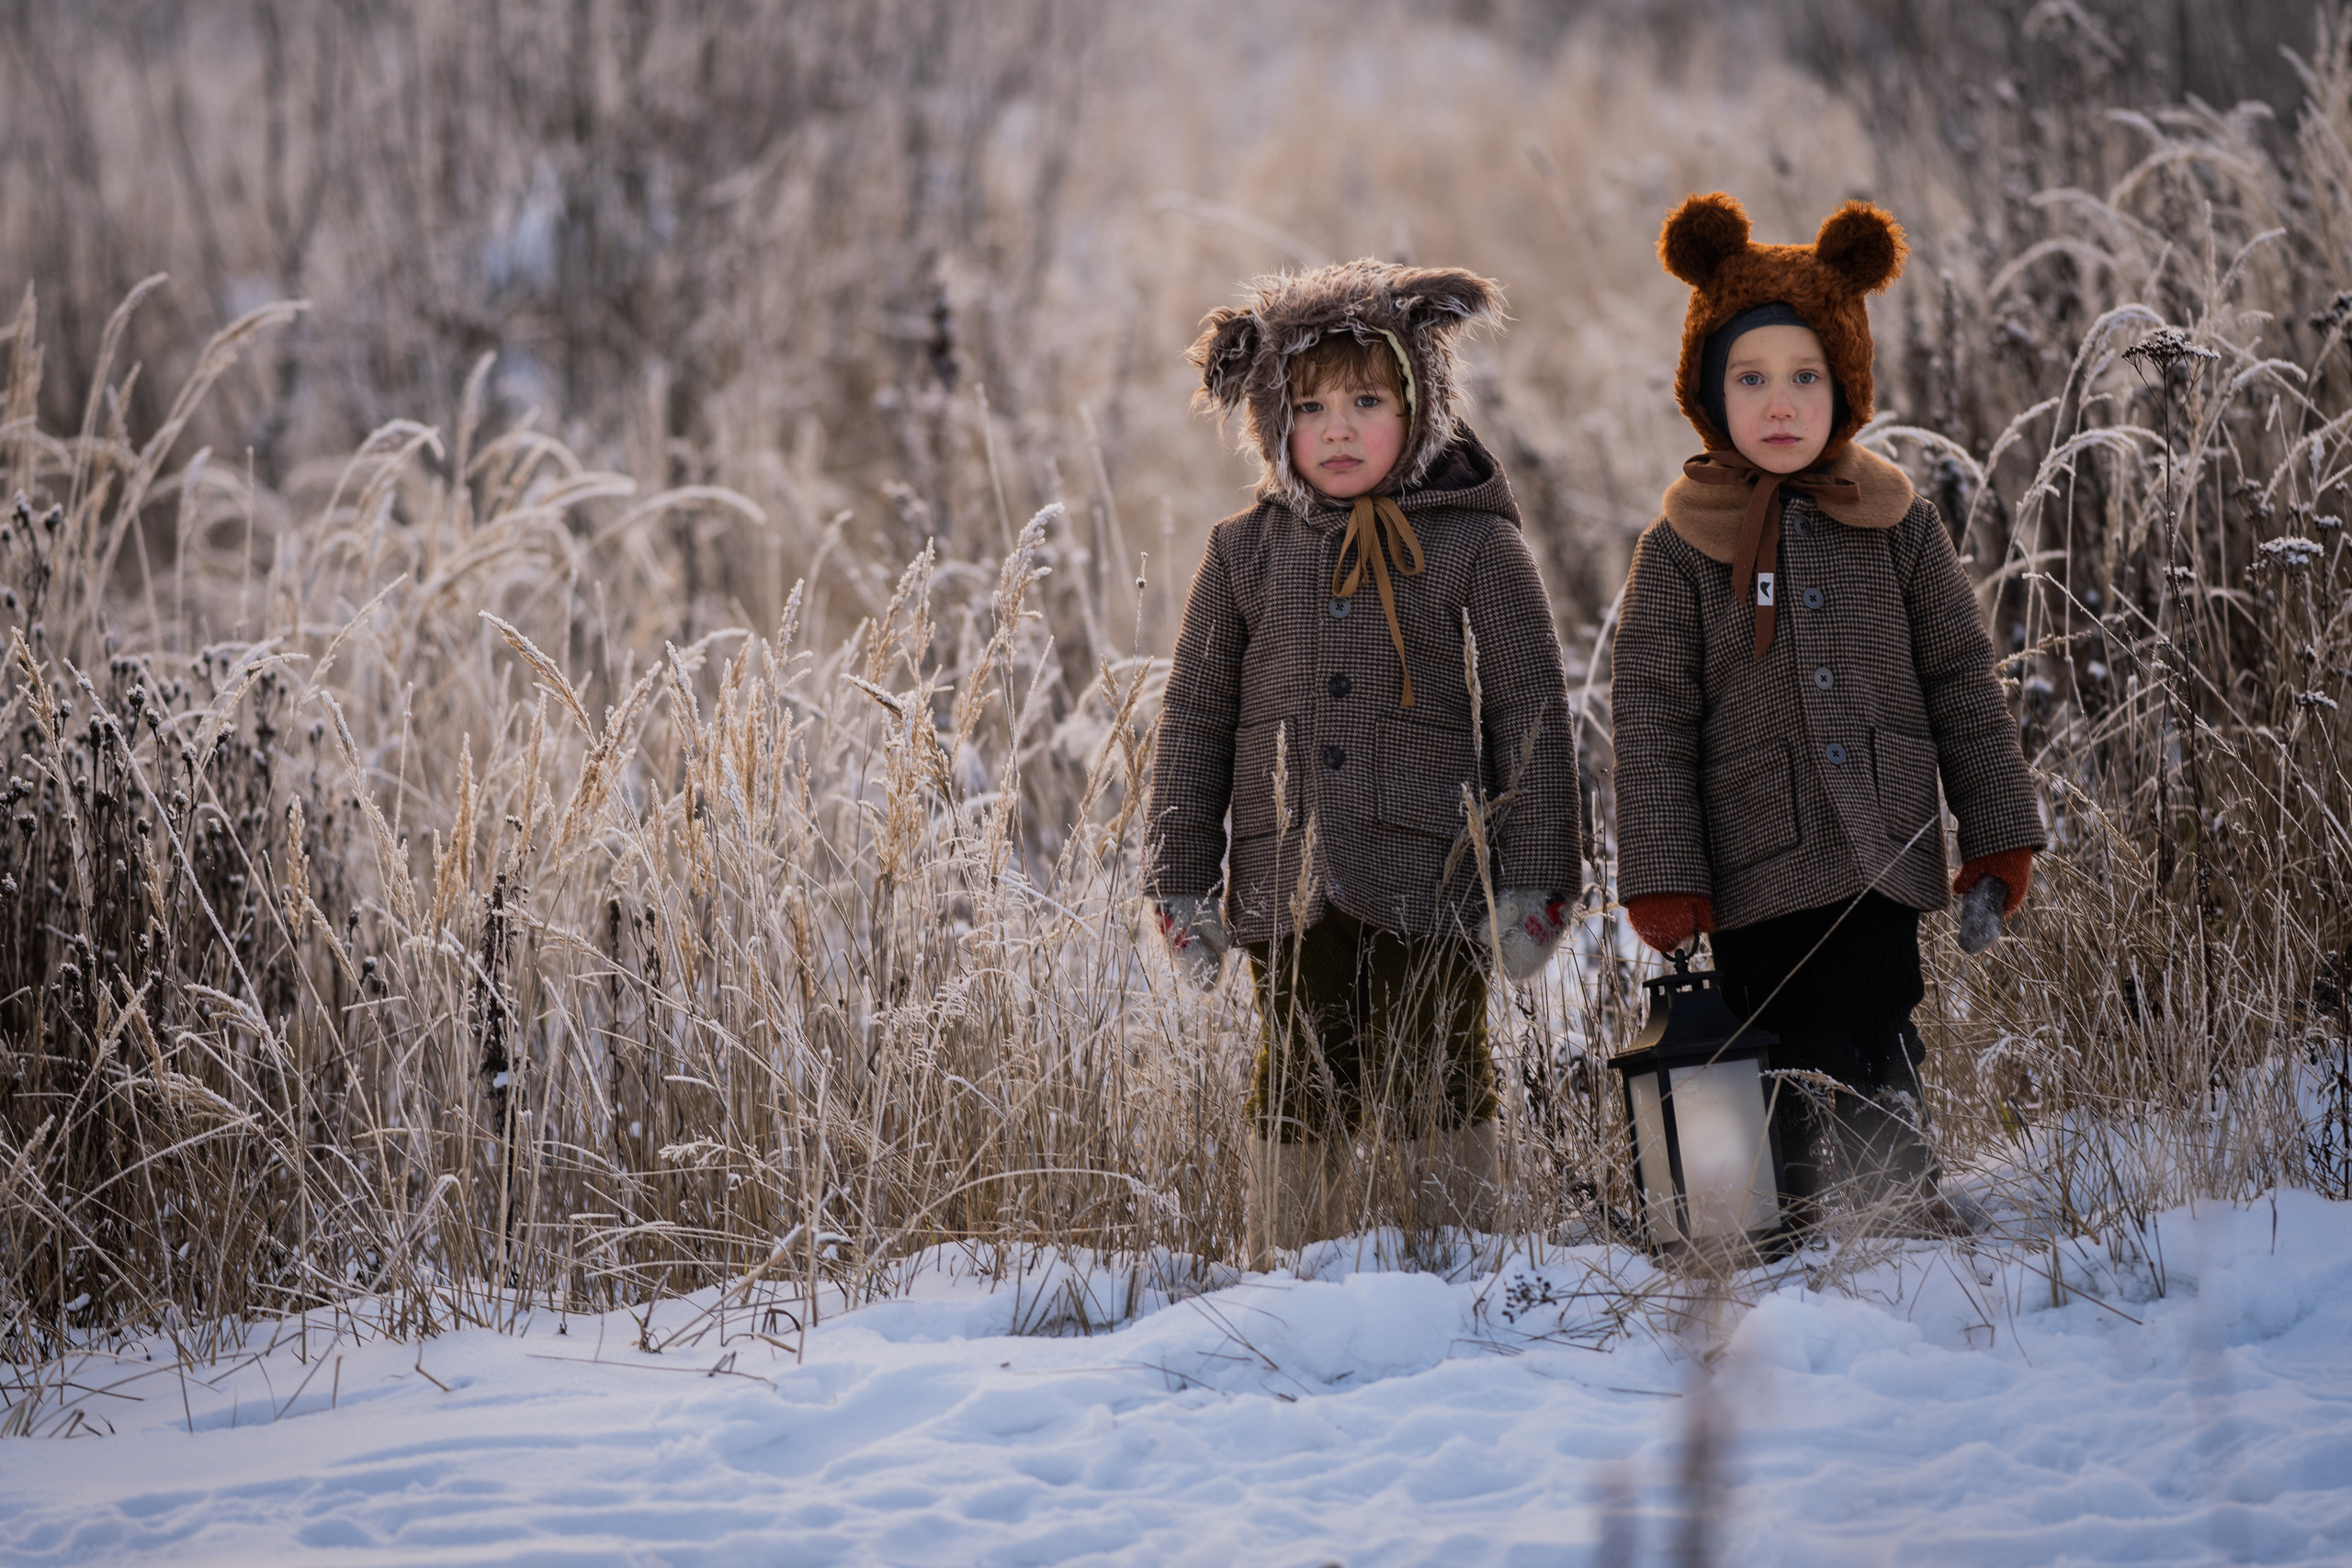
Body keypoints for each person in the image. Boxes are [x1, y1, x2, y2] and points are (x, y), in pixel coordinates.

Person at [1611, 193, 2044, 1232]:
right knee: (1768, 1033)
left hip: (1878, 842)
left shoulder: (1894, 519)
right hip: (1750, 853)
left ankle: (1894, 1203)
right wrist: (1665, 872)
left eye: (1806, 377)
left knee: (1874, 1019)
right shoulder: (1677, 548)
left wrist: (1996, 832)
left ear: (1844, 384)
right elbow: (1652, 718)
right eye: (1750, 379)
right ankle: (1782, 1217)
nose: (1779, 402)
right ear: (1708, 392)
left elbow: (1958, 678)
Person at [1146, 260, 1588, 1268]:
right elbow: (1195, 721)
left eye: (1367, 401)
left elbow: (1528, 711)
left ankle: (1461, 1257)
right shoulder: (1241, 555)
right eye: (1308, 407)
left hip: (1434, 874)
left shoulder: (1476, 546)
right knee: (1299, 1071)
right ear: (1270, 421)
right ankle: (1293, 1263)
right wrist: (1179, 883)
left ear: (1421, 405)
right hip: (1283, 876)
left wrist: (1535, 876)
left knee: (1438, 1062)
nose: (1337, 428)